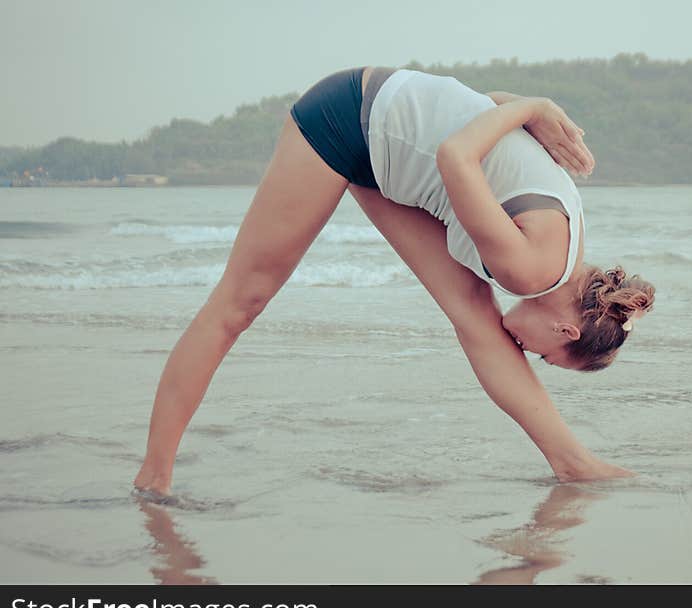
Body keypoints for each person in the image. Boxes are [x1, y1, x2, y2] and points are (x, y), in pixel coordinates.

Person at [133, 66, 654, 498]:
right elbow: (455, 155)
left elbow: (480, 109)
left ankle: (572, 462)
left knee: (475, 314)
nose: (528, 350)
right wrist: (533, 105)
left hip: (392, 146)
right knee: (240, 303)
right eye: (545, 356)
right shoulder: (532, 268)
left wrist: (513, 105)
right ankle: (154, 478)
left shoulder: (570, 251)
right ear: (567, 330)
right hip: (345, 118)